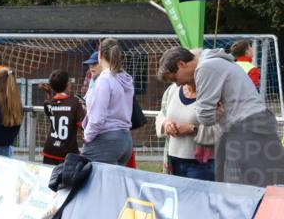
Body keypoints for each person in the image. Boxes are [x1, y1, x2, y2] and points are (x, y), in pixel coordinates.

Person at [158, 46, 284, 186]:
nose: (177, 84)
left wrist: (208, 113)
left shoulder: (206, 67)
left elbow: (205, 116)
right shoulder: (215, 62)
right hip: (255, 125)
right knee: (268, 186)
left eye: (175, 78)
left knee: (245, 191)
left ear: (181, 64)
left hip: (245, 128)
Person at [82, 39, 134, 165]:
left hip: (106, 139)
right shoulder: (125, 77)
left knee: (92, 182)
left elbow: (97, 117)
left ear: (100, 55)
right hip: (125, 140)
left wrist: (87, 136)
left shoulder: (104, 79)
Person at [155, 78, 217, 181]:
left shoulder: (212, 93)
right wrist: (166, 124)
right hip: (174, 162)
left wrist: (193, 129)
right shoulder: (172, 90)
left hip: (203, 165)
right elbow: (161, 115)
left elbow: (223, 129)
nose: (174, 78)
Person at [41, 70, 86, 165]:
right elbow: (84, 126)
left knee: (51, 179)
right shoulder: (75, 102)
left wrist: (49, 93)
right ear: (67, 84)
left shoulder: (48, 103)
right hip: (68, 153)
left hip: (50, 151)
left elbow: (51, 106)